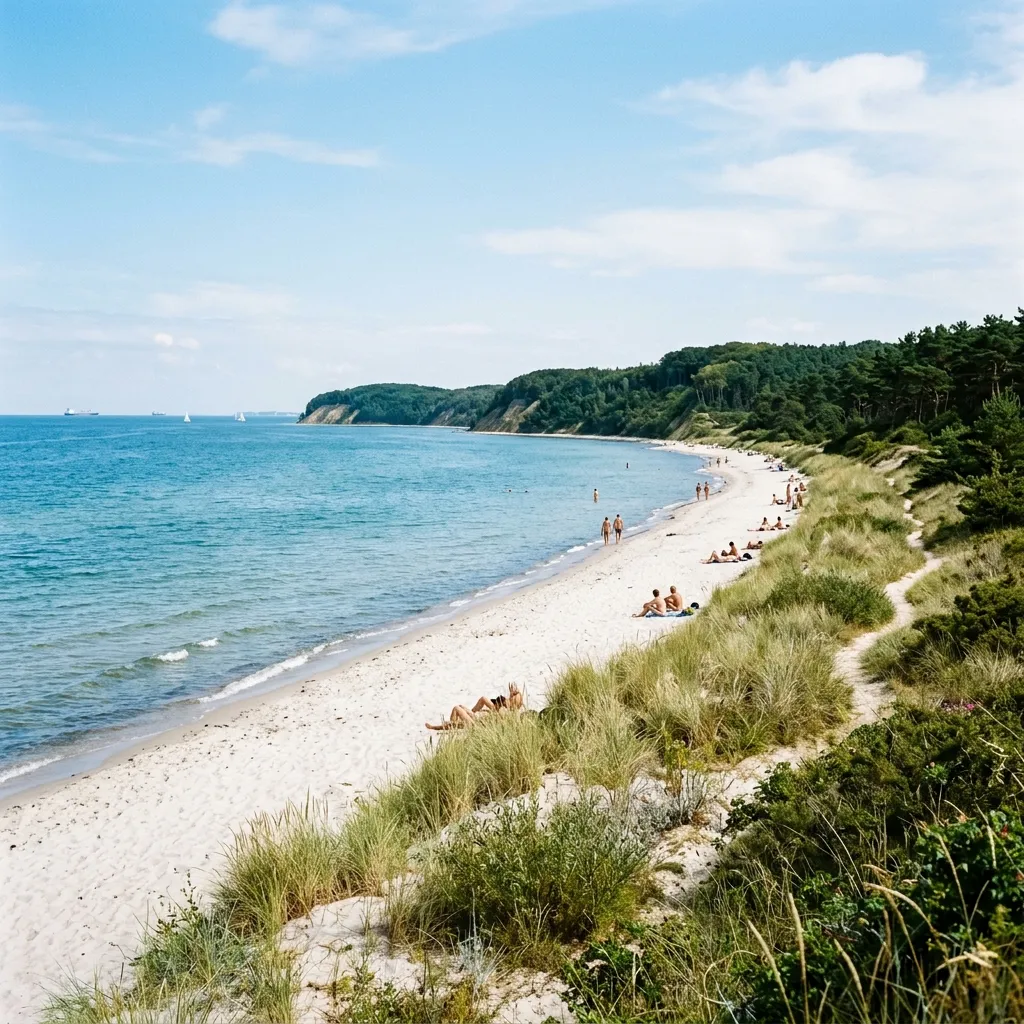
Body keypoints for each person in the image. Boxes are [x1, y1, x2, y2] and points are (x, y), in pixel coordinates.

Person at [426, 684, 524, 731]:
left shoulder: (503, 711)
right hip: (476, 719)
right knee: (460, 708)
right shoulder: (506, 710)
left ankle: (443, 727)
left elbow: (497, 711)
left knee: (457, 709)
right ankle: (446, 725)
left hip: (476, 724)